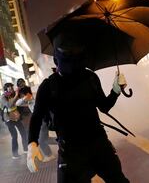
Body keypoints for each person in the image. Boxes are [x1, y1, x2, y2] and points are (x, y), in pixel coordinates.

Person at [27, 31, 129, 182]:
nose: (73, 62)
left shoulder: (90, 78)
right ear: (57, 59)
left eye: (77, 54)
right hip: (70, 152)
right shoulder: (49, 86)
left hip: (98, 144)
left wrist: (115, 91)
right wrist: (32, 143)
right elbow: (37, 116)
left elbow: (104, 107)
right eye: (68, 54)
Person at [16, 78, 55, 162]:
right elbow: (17, 103)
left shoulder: (33, 99)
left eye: (23, 96)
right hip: (44, 118)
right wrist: (23, 98)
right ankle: (61, 141)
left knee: (41, 140)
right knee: (46, 139)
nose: (23, 98)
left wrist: (25, 98)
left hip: (44, 119)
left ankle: (49, 155)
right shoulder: (30, 98)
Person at [0, 83, 28, 159]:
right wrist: (16, 95)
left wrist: (22, 96)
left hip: (16, 117)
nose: (12, 90)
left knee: (23, 132)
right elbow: (9, 105)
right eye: (10, 88)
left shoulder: (13, 94)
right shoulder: (3, 97)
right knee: (14, 135)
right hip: (8, 119)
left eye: (12, 88)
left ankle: (26, 149)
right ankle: (15, 154)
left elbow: (19, 101)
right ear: (6, 89)